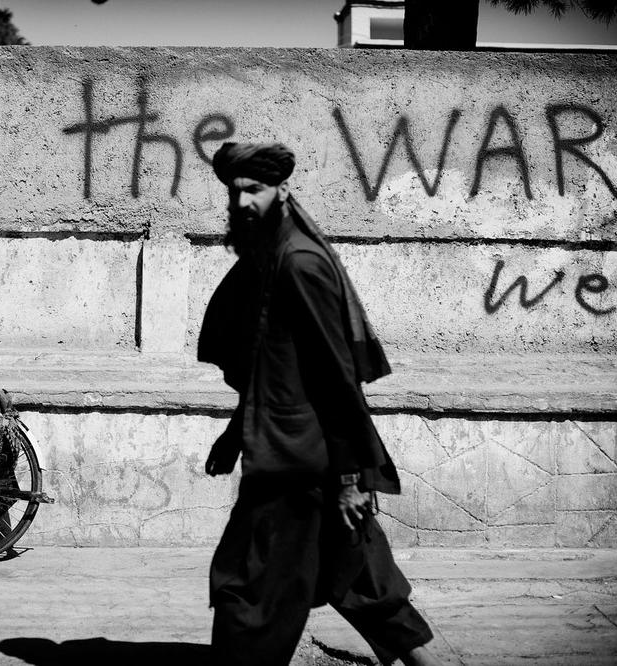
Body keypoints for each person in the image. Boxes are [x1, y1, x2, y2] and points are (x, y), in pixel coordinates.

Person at [198, 142, 442, 666]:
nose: (242, 203)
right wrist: (234, 433)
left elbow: (335, 378)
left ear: (282, 190)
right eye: (235, 193)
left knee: (247, 593)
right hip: (300, 454)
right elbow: (277, 370)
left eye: (254, 191)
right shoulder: (272, 258)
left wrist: (352, 480)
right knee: (365, 583)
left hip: (299, 466)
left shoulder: (298, 265)